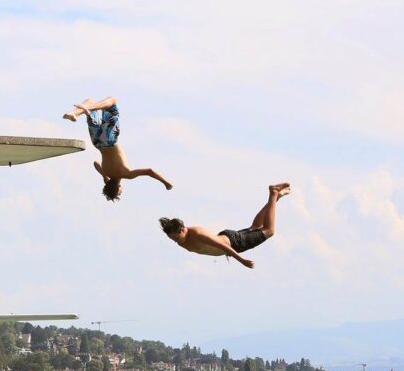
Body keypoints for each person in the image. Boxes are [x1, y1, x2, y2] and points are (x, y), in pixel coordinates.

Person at [62, 98, 173, 201]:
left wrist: (165, 183)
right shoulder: (106, 173)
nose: (121, 191)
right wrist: (104, 177)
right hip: (97, 143)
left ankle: (86, 109)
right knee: (90, 101)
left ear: (119, 187)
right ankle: (74, 113)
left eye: (119, 192)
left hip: (109, 140)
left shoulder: (127, 174)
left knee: (112, 101)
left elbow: (149, 171)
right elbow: (95, 163)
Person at [160, 182, 291, 270]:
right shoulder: (182, 241)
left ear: (183, 229)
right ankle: (275, 198)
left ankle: (273, 193)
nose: (175, 241)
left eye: (176, 238)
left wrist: (242, 261)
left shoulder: (197, 233)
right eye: (172, 239)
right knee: (256, 226)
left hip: (233, 243)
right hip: (229, 238)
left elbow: (223, 246)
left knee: (269, 231)